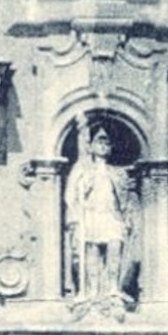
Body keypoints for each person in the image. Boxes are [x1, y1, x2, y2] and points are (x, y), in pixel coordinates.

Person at [64, 124, 135, 305]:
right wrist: (78, 201)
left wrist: (127, 215)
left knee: (114, 249)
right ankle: (92, 290)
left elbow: (125, 195)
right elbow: (70, 194)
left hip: (112, 215)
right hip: (91, 215)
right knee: (91, 251)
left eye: (107, 142)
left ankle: (113, 288)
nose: (103, 145)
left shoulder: (115, 172)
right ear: (91, 146)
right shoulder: (82, 170)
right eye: (99, 141)